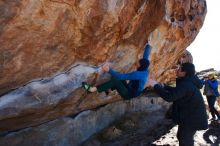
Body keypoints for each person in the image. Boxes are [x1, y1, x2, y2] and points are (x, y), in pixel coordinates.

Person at [148, 63, 208, 146]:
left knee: (185, 139)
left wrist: (155, 85)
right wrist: (164, 86)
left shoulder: (186, 84)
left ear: (184, 72)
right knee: (182, 136)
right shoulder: (187, 82)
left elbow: (170, 97)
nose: (177, 70)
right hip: (191, 116)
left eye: (179, 69)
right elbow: (177, 91)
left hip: (192, 119)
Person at [82, 43, 151, 100]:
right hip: (131, 89)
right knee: (115, 78)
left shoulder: (138, 74)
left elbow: (122, 77)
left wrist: (109, 70)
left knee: (116, 80)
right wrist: (148, 46)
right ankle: (108, 90)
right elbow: (145, 58)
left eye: (138, 63)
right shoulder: (145, 69)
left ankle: (92, 89)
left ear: (141, 66)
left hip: (129, 94)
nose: (136, 63)